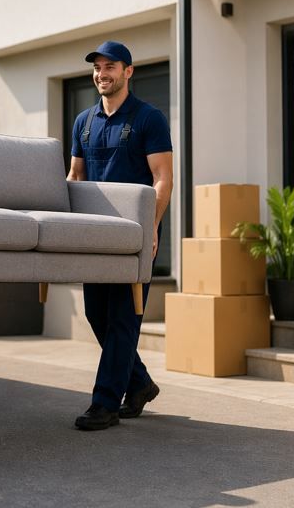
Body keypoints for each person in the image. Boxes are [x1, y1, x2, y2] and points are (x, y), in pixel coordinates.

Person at [67, 41, 173, 431]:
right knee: (97, 313)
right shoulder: (84, 121)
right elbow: (75, 177)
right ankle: (140, 383)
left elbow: (163, 179)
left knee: (124, 317)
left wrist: (152, 228)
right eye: (97, 67)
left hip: (135, 236)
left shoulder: (149, 118)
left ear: (129, 71)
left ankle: (105, 404)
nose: (101, 73)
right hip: (95, 236)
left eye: (110, 66)